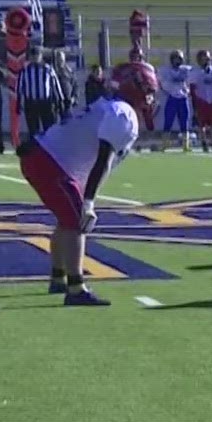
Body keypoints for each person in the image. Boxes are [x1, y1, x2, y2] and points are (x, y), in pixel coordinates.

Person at [17, 92, 140, 307]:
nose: (150, 97)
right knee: (76, 222)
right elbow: (104, 159)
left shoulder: (108, 107)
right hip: (50, 162)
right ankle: (75, 288)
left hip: (43, 156)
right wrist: (89, 202)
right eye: (147, 91)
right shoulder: (122, 114)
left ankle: (58, 277)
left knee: (67, 220)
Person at [110, 47, 158, 147]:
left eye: (138, 56)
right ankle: (132, 140)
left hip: (144, 95)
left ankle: (152, 140)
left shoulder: (147, 67)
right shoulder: (126, 68)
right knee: (131, 119)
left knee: (148, 118)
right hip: (131, 96)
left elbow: (153, 83)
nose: (136, 58)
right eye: (134, 56)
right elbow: (115, 83)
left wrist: (150, 92)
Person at [15, 47, 62, 137]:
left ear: (40, 56)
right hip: (31, 102)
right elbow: (19, 87)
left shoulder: (48, 69)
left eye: (36, 55)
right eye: (32, 56)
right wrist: (18, 103)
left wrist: (59, 101)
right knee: (33, 129)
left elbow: (55, 85)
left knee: (49, 128)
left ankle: (48, 148)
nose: (34, 58)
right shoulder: (25, 70)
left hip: (46, 102)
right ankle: (35, 148)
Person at [158, 50, 195, 151]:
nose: (178, 61)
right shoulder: (165, 70)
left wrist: (188, 90)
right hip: (172, 98)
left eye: (180, 58)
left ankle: (185, 145)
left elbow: (194, 77)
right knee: (168, 122)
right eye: (176, 58)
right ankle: (164, 144)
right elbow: (161, 83)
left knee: (184, 122)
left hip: (183, 99)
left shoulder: (186, 69)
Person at [192, 49, 212, 152]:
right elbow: (193, 89)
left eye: (207, 58)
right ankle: (204, 143)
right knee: (202, 125)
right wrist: (195, 105)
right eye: (203, 58)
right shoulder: (195, 72)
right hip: (202, 101)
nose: (206, 60)